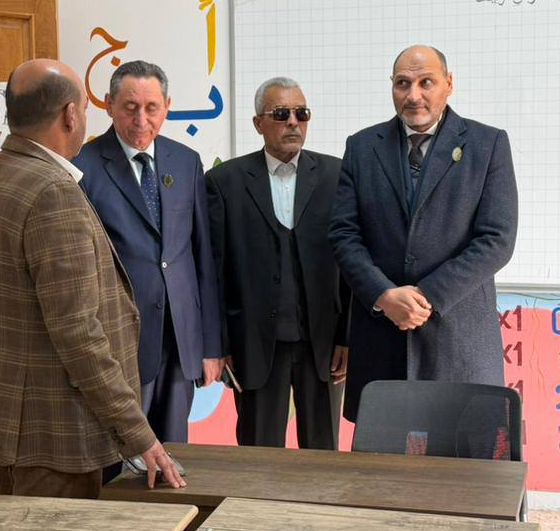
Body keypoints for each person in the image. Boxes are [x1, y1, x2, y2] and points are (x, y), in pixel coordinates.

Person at [0, 58, 184, 531]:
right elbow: (80, 334)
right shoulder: (52, 192)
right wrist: (140, 435)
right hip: (54, 434)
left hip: (1, 420)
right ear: (70, 115)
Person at [329, 45, 517, 422]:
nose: (413, 95)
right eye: (403, 83)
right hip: (381, 339)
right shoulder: (362, 147)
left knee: (459, 454)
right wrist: (383, 295)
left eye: (426, 82)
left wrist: (425, 297)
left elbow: (497, 239)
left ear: (449, 84)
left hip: (458, 344)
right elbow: (344, 234)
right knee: (382, 455)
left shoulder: (488, 144)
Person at [73, 60, 222, 443]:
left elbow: (201, 259)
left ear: (167, 107)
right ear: (109, 105)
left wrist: (210, 346)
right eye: (130, 107)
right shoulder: (82, 167)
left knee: (175, 457)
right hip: (119, 343)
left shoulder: (186, 162)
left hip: (180, 342)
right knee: (122, 457)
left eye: (152, 107)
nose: (141, 119)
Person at [205, 77, 348, 448]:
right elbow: (214, 273)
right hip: (252, 345)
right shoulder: (224, 182)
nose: (293, 122)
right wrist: (219, 344)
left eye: (302, 113)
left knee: (324, 454)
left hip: (322, 345)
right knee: (258, 454)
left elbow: (351, 264)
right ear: (258, 123)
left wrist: (347, 338)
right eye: (281, 114)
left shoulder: (337, 176)